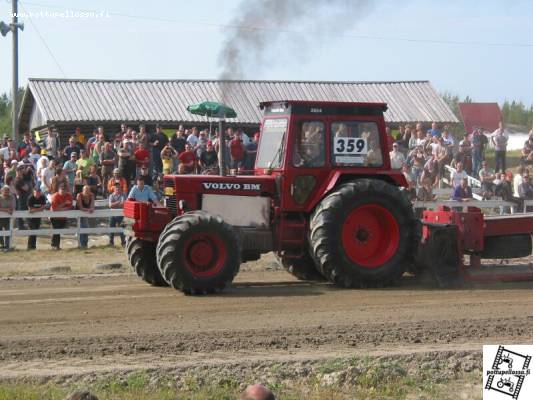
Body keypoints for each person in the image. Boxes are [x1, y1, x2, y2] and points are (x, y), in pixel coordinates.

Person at [50, 184, 73, 250]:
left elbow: (70, 207)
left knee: (59, 231)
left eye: (64, 190)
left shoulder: (69, 196)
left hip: (63, 217)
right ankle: (54, 246)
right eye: (61, 189)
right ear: (58, 190)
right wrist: (64, 204)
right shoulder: (55, 196)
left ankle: (57, 246)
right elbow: (54, 209)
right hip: (54, 216)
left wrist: (62, 208)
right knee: (55, 230)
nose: (63, 191)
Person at [0, 185, 15, 251]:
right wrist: (7, 210)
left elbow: (12, 207)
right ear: (1, 191)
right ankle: (1, 245)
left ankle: (7, 246)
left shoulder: (11, 197)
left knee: (8, 232)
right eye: (5, 191)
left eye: (8, 191)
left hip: (8, 218)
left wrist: (6, 209)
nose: (6, 192)